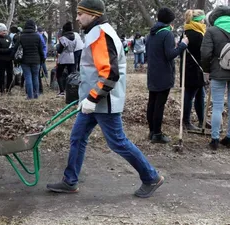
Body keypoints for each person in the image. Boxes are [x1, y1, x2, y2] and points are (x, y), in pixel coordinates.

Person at [47, 0, 164, 198]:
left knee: (118, 142)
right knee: (77, 137)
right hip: (93, 102)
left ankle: (151, 177)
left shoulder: (101, 34)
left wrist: (92, 99)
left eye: (80, 14)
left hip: (104, 101)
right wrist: (87, 99)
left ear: (93, 15)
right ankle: (70, 180)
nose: (77, 18)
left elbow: (110, 73)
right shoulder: (96, 32)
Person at [146, 7, 188, 144]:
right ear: (171, 21)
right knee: (159, 105)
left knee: (152, 102)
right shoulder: (167, 34)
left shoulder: (151, 33)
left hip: (152, 72)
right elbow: (170, 55)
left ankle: (152, 131)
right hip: (164, 74)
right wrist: (182, 45)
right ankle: (157, 134)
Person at [201, 6, 230, 150]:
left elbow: (205, 53)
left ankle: (215, 139)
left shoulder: (211, 31)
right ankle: (229, 138)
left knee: (217, 106)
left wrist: (206, 70)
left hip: (218, 72)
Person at [181, 9, 207, 131]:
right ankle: (186, 121)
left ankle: (202, 119)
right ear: (199, 20)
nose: (204, 21)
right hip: (194, 70)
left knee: (200, 94)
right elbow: (201, 53)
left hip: (191, 68)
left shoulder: (186, 31)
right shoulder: (197, 34)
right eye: (203, 19)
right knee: (190, 95)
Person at [12, 20, 44, 99]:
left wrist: (14, 58)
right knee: (35, 77)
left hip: (25, 60)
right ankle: (36, 94)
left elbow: (15, 48)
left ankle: (30, 95)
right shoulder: (37, 36)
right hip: (36, 60)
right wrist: (42, 59)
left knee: (28, 77)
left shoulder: (21, 36)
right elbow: (41, 49)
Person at [56, 22, 76, 96]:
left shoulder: (63, 38)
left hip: (64, 57)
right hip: (72, 56)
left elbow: (60, 50)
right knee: (71, 75)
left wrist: (57, 47)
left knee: (59, 74)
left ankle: (62, 91)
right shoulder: (74, 37)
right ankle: (71, 90)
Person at [0, 23, 14, 95]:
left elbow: (11, 46)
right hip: (1, 59)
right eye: (3, 31)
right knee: (1, 75)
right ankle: (2, 89)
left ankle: (9, 89)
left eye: (5, 30)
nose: (5, 32)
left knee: (10, 74)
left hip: (9, 59)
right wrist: (7, 50)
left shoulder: (8, 37)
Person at [37, 26, 48, 94]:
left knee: (36, 74)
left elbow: (43, 46)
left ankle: (39, 89)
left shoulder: (40, 36)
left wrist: (43, 56)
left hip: (39, 56)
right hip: (40, 56)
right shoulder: (42, 36)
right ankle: (39, 89)